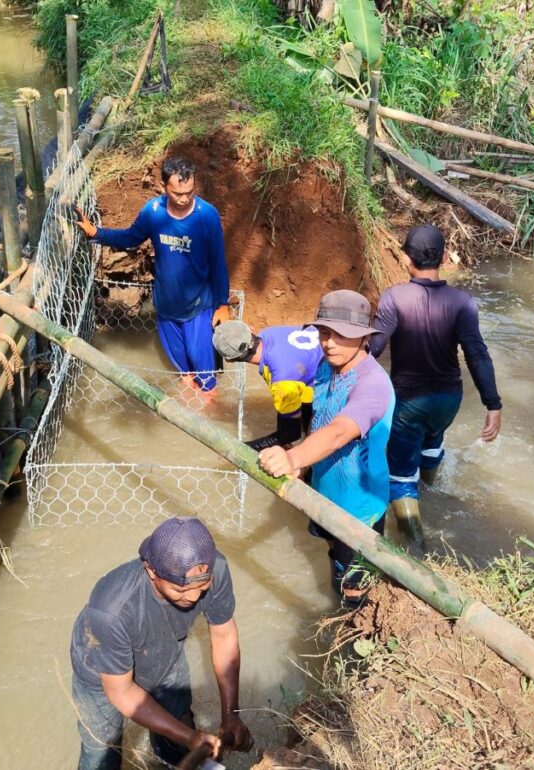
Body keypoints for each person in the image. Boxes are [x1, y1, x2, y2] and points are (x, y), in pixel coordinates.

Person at [69, 517, 253, 769]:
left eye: (203, 587)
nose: (193, 596)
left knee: (178, 729)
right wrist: (190, 737)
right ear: (151, 571)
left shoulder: (216, 568)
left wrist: (230, 715)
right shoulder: (110, 611)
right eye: (179, 590)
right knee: (102, 749)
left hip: (165, 649)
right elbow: (121, 692)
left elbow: (224, 636)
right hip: (100, 668)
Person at [258, 291, 394, 606]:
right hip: (325, 493)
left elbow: (338, 432)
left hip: (358, 511)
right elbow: (320, 421)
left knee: (355, 589)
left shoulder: (372, 384)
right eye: (324, 332)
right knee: (333, 556)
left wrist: (292, 456)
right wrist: (303, 466)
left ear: (363, 338)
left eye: (340, 334)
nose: (328, 342)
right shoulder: (324, 367)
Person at [369, 224, 502, 545]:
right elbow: (477, 355)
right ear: (443, 257)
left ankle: (415, 547)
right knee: (432, 444)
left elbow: (373, 348)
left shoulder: (395, 298)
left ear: (405, 259)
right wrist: (493, 404)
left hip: (408, 403)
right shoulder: (462, 303)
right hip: (448, 399)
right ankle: (431, 492)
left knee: (399, 477)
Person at [75, 156, 230, 392]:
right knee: (185, 375)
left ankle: (208, 415)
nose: (185, 198)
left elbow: (218, 263)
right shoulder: (153, 212)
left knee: (206, 381)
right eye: (178, 193)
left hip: (198, 308)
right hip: (166, 308)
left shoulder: (207, 216)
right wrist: (96, 232)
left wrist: (222, 305)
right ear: (164, 186)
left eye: (189, 192)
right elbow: (130, 237)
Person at [212, 320, 323, 451]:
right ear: (251, 331)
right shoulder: (269, 333)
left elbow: (291, 435)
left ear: (229, 360)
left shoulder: (281, 379)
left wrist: (238, 449)